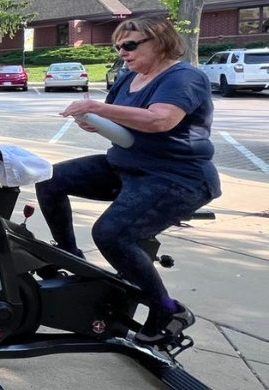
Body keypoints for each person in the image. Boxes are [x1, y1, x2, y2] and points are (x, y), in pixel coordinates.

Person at [40, 15, 220, 345]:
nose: (123, 51)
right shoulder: (127, 78)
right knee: (48, 179)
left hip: (177, 177)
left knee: (112, 234)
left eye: (131, 45)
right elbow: (122, 121)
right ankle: (70, 258)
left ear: (161, 41)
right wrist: (93, 121)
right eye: (119, 46)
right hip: (126, 166)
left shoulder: (184, 76)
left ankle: (168, 310)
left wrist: (97, 108)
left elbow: (160, 120)